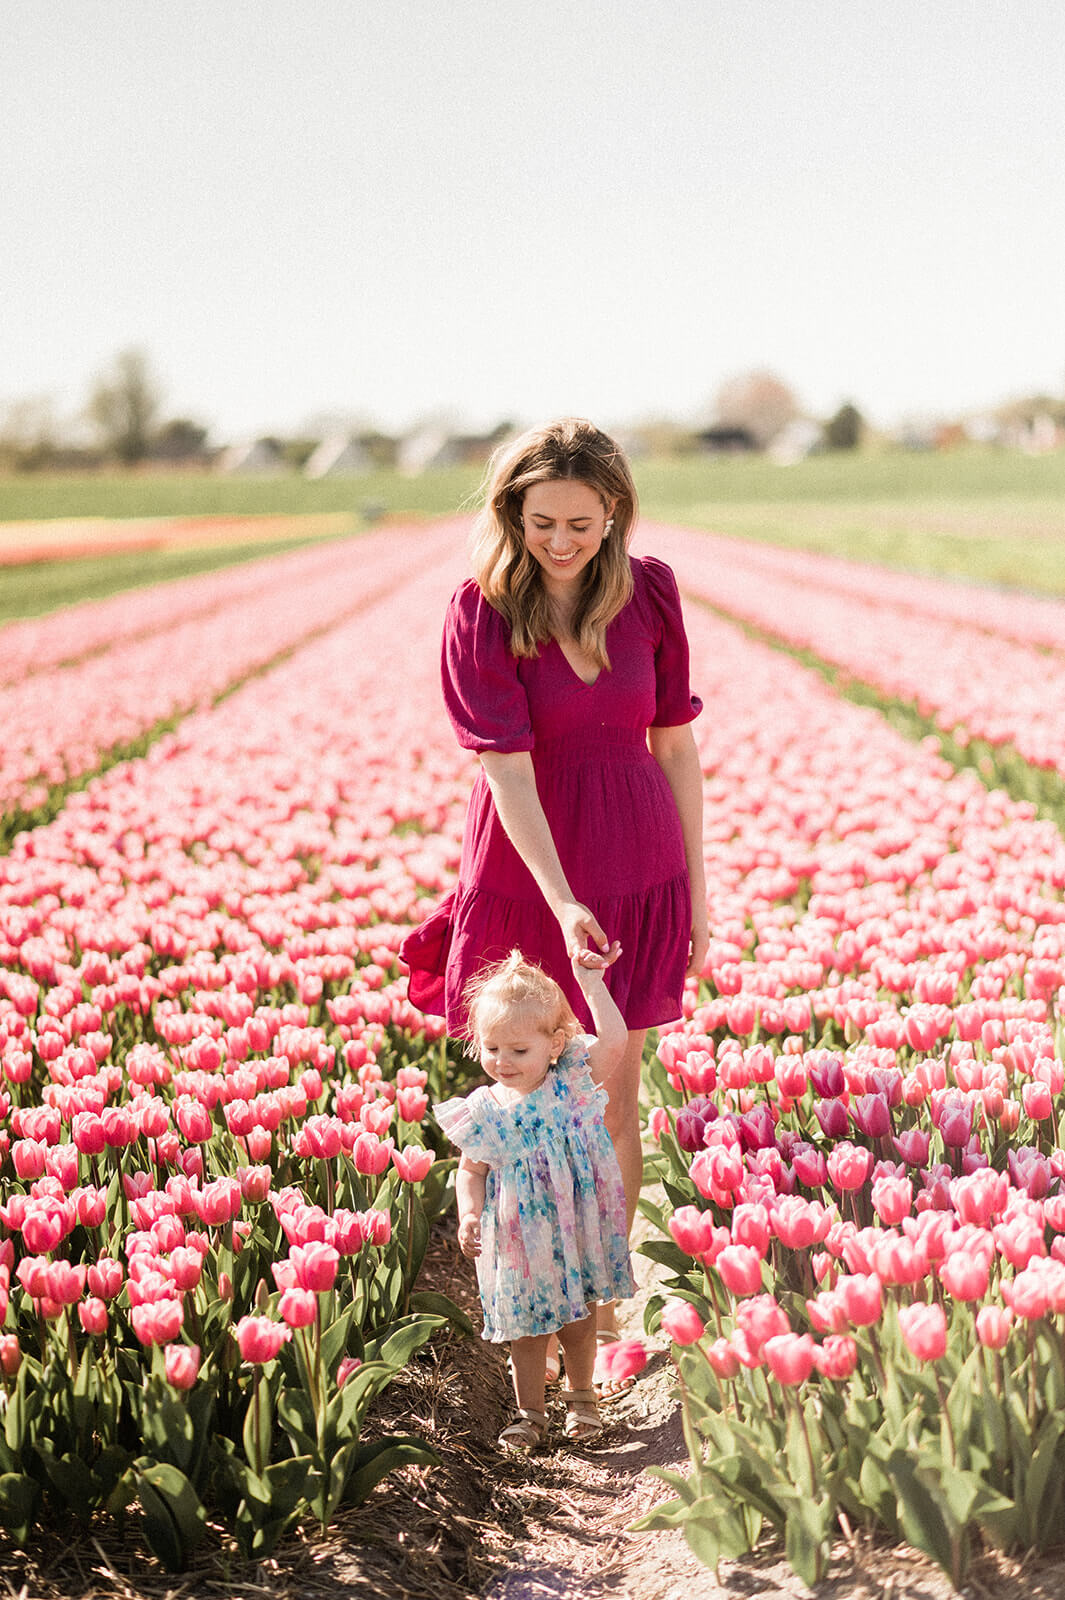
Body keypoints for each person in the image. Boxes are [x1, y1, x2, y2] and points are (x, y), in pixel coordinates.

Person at [400, 417, 707, 1390]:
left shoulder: (649, 591)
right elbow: (505, 767)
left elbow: (677, 745)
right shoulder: (483, 609)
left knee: (615, 1088)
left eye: (581, 520)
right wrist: (562, 899)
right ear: (512, 514)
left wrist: (699, 889)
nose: (563, 539)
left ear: (613, 509)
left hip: (637, 854)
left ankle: (603, 1310)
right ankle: (529, 1299)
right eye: (542, 522)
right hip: (532, 866)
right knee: (527, 1086)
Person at [435, 946, 633, 1449]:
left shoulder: (570, 1084)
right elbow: (470, 1171)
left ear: (555, 1045)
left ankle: (582, 1396)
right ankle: (530, 1413)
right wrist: (469, 1214)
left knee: (579, 1319)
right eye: (492, 1047)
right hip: (518, 1239)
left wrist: (591, 985)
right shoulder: (484, 1111)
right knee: (525, 1330)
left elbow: (614, 1040)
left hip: (573, 1227)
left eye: (518, 1051)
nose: (501, 1061)